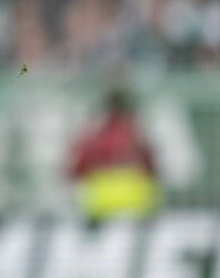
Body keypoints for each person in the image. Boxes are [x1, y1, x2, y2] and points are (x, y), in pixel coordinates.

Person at [67, 88, 161, 221]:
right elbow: (152, 167)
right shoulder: (136, 131)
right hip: (136, 199)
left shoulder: (94, 133)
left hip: (101, 200)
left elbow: (77, 169)